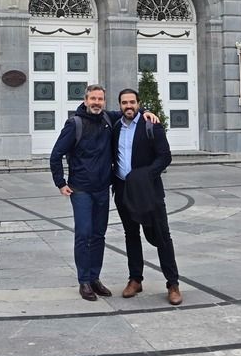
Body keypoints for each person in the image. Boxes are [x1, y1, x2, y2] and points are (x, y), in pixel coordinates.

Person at [50, 84, 157, 301]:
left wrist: (146, 111)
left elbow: (131, 109)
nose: (96, 103)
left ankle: (95, 278)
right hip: (81, 190)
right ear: (85, 100)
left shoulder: (109, 118)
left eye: (100, 99)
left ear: (104, 102)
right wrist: (60, 183)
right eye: (93, 99)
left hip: (102, 189)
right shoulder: (74, 124)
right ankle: (84, 281)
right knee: (84, 234)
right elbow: (56, 154)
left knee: (99, 235)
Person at [112, 88, 182, 306]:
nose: (128, 106)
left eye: (132, 102)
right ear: (120, 105)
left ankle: (172, 284)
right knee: (130, 234)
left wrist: (144, 176)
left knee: (161, 235)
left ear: (139, 103)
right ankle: (135, 279)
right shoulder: (115, 126)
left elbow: (165, 157)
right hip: (123, 190)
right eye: (124, 103)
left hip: (148, 190)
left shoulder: (151, 124)